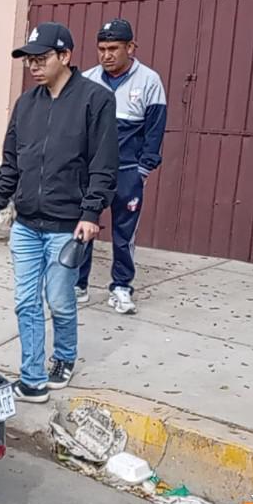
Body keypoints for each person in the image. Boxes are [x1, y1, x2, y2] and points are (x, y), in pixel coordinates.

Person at [0, 22, 118, 403]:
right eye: (30, 61)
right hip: (26, 225)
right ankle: (33, 378)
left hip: (67, 226)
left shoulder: (96, 101)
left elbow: (104, 165)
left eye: (41, 59)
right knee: (25, 301)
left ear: (65, 57)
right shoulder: (26, 105)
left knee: (59, 300)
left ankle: (65, 356)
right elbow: (11, 164)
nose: (34, 67)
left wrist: (90, 213)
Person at [76, 19, 168, 314]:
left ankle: (121, 287)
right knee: (83, 228)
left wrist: (143, 169)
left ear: (130, 47)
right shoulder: (88, 80)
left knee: (124, 234)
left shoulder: (149, 81)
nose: (106, 55)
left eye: (113, 48)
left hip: (128, 171)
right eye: (101, 49)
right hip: (90, 173)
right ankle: (78, 284)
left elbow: (155, 129)